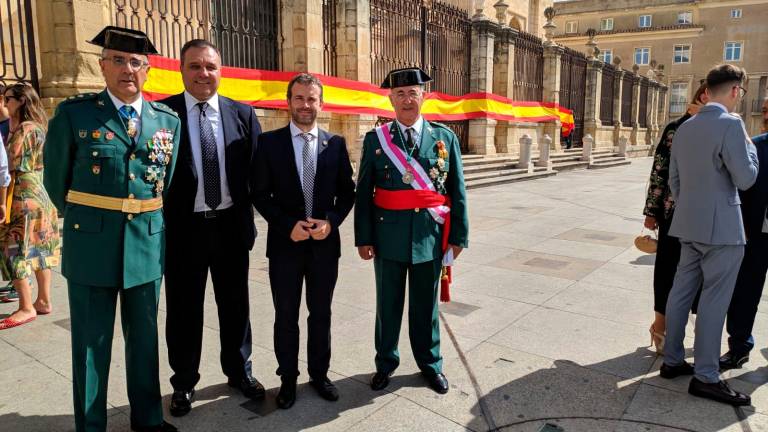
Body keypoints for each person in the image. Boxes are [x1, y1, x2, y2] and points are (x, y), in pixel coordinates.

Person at [43, 26, 180, 432]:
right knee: (90, 344)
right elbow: (56, 182)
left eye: (136, 62)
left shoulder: (166, 121)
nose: (127, 69)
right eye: (117, 60)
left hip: (146, 245)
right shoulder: (76, 114)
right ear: (102, 66)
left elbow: (163, 183)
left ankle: (148, 419)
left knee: (144, 340)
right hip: (91, 246)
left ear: (148, 70)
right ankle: (90, 425)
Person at [159, 39, 264, 417]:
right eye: (195, 66)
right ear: (181, 69)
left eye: (210, 66)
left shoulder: (242, 114)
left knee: (235, 306)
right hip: (184, 230)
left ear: (221, 70)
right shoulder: (163, 114)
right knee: (184, 309)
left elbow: (256, 173)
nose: (204, 73)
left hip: (230, 228)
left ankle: (240, 372)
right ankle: (184, 382)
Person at [354, 68, 469, 394]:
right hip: (387, 239)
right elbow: (363, 193)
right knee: (387, 308)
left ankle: (430, 364)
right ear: (391, 98)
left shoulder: (444, 138)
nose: (407, 99)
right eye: (400, 94)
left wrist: (458, 236)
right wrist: (363, 238)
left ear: (424, 96)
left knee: (426, 308)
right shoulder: (376, 140)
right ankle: (385, 364)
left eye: (412, 92)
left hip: (429, 239)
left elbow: (457, 191)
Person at [253, 73, 355, 409]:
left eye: (312, 99)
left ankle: (319, 373)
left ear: (321, 103)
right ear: (289, 102)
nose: (305, 105)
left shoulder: (336, 144)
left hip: (325, 248)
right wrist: (285, 226)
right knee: (285, 314)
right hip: (286, 247)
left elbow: (347, 194)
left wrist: (332, 223)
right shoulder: (269, 144)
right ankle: (287, 378)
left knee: (320, 313)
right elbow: (260, 194)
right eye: (299, 98)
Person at [660, 64, 758, 407]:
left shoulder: (686, 127)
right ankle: (706, 376)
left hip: (688, 223)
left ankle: (671, 360)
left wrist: (689, 206)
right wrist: (751, 148)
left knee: (681, 291)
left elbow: (674, 179)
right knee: (715, 302)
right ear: (735, 90)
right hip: (723, 230)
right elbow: (746, 179)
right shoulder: (732, 124)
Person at [643, 82, 708, 353]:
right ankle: (660, 325)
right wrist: (652, 212)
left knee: (703, 274)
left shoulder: (722, 127)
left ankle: (697, 330)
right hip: (674, 212)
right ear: (704, 95)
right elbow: (660, 170)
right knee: (668, 269)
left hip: (708, 213)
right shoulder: (676, 128)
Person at [0, 83, 61, 329]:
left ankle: (26, 306)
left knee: (11, 248)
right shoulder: (39, 127)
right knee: (40, 249)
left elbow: (10, 165)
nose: (5, 104)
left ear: (22, 101)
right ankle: (43, 300)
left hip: (21, 196)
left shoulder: (24, 130)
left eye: (9, 99)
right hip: (40, 194)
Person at [720, 96, 768, 370]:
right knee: (745, 292)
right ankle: (739, 346)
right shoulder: (757, 147)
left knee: (745, 291)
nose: (764, 114)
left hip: (755, 232)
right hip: (755, 234)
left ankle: (739, 345)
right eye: (764, 110)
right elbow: (740, 188)